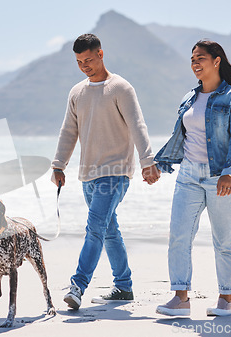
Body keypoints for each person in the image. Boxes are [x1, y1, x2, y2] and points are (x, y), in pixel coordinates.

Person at [51, 33, 161, 310]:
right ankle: (123, 287)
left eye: (88, 59)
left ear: (101, 54)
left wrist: (148, 161)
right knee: (109, 231)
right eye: (78, 62)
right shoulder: (77, 92)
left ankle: (78, 285)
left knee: (95, 229)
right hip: (87, 174)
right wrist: (58, 164)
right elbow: (69, 131)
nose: (84, 65)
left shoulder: (121, 88)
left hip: (114, 172)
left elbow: (138, 125)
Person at [154, 40, 231, 317]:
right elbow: (181, 138)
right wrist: (161, 164)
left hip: (221, 176)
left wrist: (229, 172)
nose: (195, 63)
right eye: (192, 59)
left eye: (201, 58)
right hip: (188, 175)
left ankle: (225, 300)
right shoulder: (189, 98)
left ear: (216, 61)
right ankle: (181, 298)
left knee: (224, 240)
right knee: (179, 236)